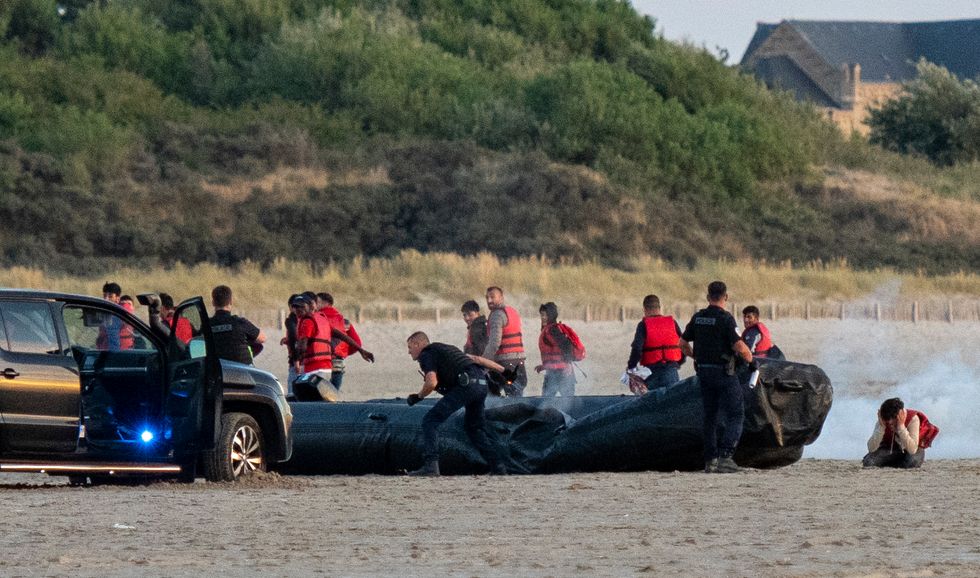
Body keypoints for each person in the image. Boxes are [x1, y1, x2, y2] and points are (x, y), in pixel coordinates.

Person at [404, 331, 506, 476]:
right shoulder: (447, 349)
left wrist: (418, 396)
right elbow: (477, 359)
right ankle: (498, 467)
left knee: (430, 420)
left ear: (418, 344)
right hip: (482, 384)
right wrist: (504, 371)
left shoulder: (426, 354)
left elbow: (432, 382)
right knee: (474, 428)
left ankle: (431, 466)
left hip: (467, 385)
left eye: (410, 347)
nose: (409, 352)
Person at [679, 281, 754, 474]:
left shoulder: (698, 317)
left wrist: (695, 356)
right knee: (736, 413)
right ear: (726, 297)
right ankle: (726, 456)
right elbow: (740, 346)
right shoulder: (726, 319)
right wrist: (751, 361)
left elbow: (682, 343)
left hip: (704, 372)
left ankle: (710, 460)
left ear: (707, 297)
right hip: (724, 373)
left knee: (710, 417)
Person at [294, 295, 374, 400]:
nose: (298, 309)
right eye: (295, 307)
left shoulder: (307, 321)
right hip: (329, 366)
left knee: (312, 400)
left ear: (310, 306)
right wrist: (361, 350)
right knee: (329, 398)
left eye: (301, 306)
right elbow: (343, 336)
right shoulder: (324, 319)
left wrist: (297, 360)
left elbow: (303, 346)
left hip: (314, 367)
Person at [626, 294, 684, 390]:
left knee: (653, 403)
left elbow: (637, 348)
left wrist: (631, 367)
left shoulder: (643, 325)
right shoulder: (672, 323)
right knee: (672, 403)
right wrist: (677, 363)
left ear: (644, 309)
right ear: (659, 308)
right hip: (671, 371)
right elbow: (683, 344)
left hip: (652, 372)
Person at [863, 398, 940, 469]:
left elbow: (912, 449)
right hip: (891, 450)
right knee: (869, 461)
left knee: (912, 462)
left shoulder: (913, 419)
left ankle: (896, 464)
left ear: (900, 414)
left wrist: (901, 427)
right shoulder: (884, 419)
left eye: (893, 418)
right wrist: (881, 428)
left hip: (912, 450)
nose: (890, 422)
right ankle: (895, 463)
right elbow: (871, 448)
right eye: (888, 419)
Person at [481, 286, 527, 397]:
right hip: (519, 362)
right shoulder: (512, 312)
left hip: (505, 364)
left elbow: (494, 343)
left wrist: (482, 362)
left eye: (492, 297)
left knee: (493, 394)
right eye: (487, 298)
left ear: (501, 297)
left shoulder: (497, 315)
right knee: (516, 395)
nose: (489, 300)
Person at [316, 292, 363, 391]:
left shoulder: (317, 318)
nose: (314, 304)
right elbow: (357, 342)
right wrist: (344, 352)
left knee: (318, 396)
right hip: (338, 362)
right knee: (333, 394)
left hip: (322, 362)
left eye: (317, 301)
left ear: (326, 303)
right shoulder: (343, 321)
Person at [209, 285, 266, 365]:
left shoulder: (207, 325)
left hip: (218, 371)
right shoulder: (240, 322)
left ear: (213, 302)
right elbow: (262, 338)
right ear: (231, 302)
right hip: (242, 369)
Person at [534, 302, 581, 397]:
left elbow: (566, 345)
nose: (543, 318)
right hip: (555, 372)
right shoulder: (550, 329)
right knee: (550, 401)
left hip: (562, 373)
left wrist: (567, 364)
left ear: (551, 315)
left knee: (547, 402)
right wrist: (544, 366)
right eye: (542, 315)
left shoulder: (553, 330)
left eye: (545, 315)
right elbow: (554, 352)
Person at [280, 294, 303, 393]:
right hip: (309, 360)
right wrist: (287, 340)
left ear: (290, 307)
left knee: (292, 392)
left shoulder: (291, 320)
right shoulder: (305, 318)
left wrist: (296, 361)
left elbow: (295, 339)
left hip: (297, 360)